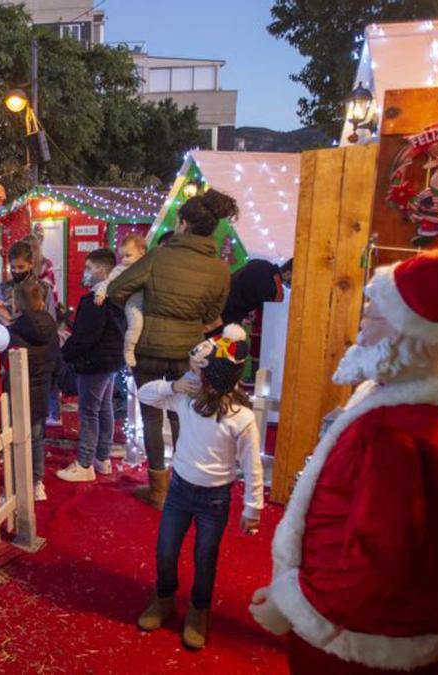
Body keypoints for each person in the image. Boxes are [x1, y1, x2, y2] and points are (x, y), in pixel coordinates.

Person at [250, 244, 438, 675]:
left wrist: (293, 604)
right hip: (408, 618)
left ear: (406, 336)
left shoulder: (391, 434)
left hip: (357, 635)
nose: (360, 326)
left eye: (372, 317)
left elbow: (377, 563)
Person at [135, 325, 263, 651]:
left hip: (214, 498)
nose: (192, 376)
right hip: (179, 490)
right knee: (166, 548)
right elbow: (144, 394)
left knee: (205, 556)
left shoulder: (242, 417)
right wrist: (173, 384)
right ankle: (164, 599)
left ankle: (198, 610)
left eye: (197, 371)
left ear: (215, 376)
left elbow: (252, 465)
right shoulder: (186, 398)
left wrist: (253, 508)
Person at [106, 189, 234, 509]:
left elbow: (116, 289)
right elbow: (210, 316)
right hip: (190, 351)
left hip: (148, 347)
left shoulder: (159, 256)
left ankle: (158, 491)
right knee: (183, 417)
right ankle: (181, 487)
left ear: (183, 223)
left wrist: (140, 307)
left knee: (151, 416)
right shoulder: (220, 269)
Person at [56, 248, 126, 482]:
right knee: (104, 408)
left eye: (88, 268)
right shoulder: (117, 294)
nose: (85, 273)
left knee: (89, 412)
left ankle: (85, 463)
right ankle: (102, 457)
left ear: (102, 270)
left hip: (94, 362)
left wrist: (64, 355)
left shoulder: (94, 300)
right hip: (112, 360)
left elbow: (84, 336)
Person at [3, 279, 59, 501]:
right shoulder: (51, 328)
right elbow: (56, 360)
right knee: (36, 438)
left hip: (18, 392)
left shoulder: (13, 332)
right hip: (41, 391)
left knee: (16, 439)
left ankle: (18, 484)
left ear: (17, 304)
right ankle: (37, 482)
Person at [94, 233, 148, 368]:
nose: (124, 260)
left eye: (128, 256)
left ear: (142, 253)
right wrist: (100, 293)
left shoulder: (148, 266)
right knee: (135, 325)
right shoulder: (120, 269)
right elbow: (108, 282)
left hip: (148, 301)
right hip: (133, 302)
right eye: (122, 256)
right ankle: (129, 350)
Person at [0, 239, 55, 320]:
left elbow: (50, 321)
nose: (16, 271)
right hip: (10, 331)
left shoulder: (43, 288)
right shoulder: (4, 288)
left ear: (31, 264)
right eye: (13, 267)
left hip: (38, 331)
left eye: (21, 267)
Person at [220, 258, 284, 327]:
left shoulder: (262, 263)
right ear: (289, 273)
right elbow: (271, 312)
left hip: (222, 296)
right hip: (233, 311)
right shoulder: (276, 285)